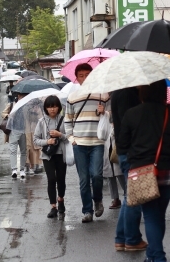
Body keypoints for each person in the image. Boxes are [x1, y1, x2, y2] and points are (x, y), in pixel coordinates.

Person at [117, 80, 170, 262]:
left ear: (142, 93)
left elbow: (122, 146)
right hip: (168, 173)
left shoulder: (132, 114)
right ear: (163, 92)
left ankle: (158, 256)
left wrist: (132, 161)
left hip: (143, 173)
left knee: (152, 216)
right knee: (158, 215)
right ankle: (152, 255)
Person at [65, 63, 107, 223]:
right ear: (77, 78)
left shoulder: (103, 95)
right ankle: (87, 211)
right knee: (83, 179)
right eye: (81, 75)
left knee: (96, 175)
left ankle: (98, 200)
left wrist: (105, 111)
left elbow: (109, 117)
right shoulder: (72, 97)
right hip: (79, 144)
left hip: (97, 142)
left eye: (87, 74)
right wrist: (72, 139)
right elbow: (68, 120)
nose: (84, 78)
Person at [111, 86, 146, 252]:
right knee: (134, 196)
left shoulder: (120, 92)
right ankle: (131, 239)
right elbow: (132, 123)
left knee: (130, 196)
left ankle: (122, 238)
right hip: (132, 151)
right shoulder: (127, 93)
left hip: (126, 150)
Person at [33, 95, 68, 218]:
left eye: (54, 106)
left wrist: (60, 135)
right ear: (46, 108)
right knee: (51, 179)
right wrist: (47, 142)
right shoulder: (41, 122)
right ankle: (53, 206)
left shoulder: (64, 120)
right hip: (47, 156)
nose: (52, 109)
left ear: (59, 107)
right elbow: (36, 140)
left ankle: (61, 199)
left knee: (61, 179)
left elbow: (69, 136)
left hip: (61, 154)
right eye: (49, 107)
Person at [6, 92, 27, 179]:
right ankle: (14, 169)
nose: (23, 97)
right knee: (13, 150)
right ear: (18, 96)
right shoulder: (12, 104)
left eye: (24, 96)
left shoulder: (27, 105)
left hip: (24, 130)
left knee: (23, 151)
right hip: (13, 130)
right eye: (21, 96)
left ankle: (22, 170)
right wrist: (9, 115)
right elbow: (3, 113)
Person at [103, 121, 124, 210]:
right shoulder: (103, 116)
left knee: (120, 174)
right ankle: (115, 198)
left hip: (117, 148)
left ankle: (129, 194)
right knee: (109, 175)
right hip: (106, 148)